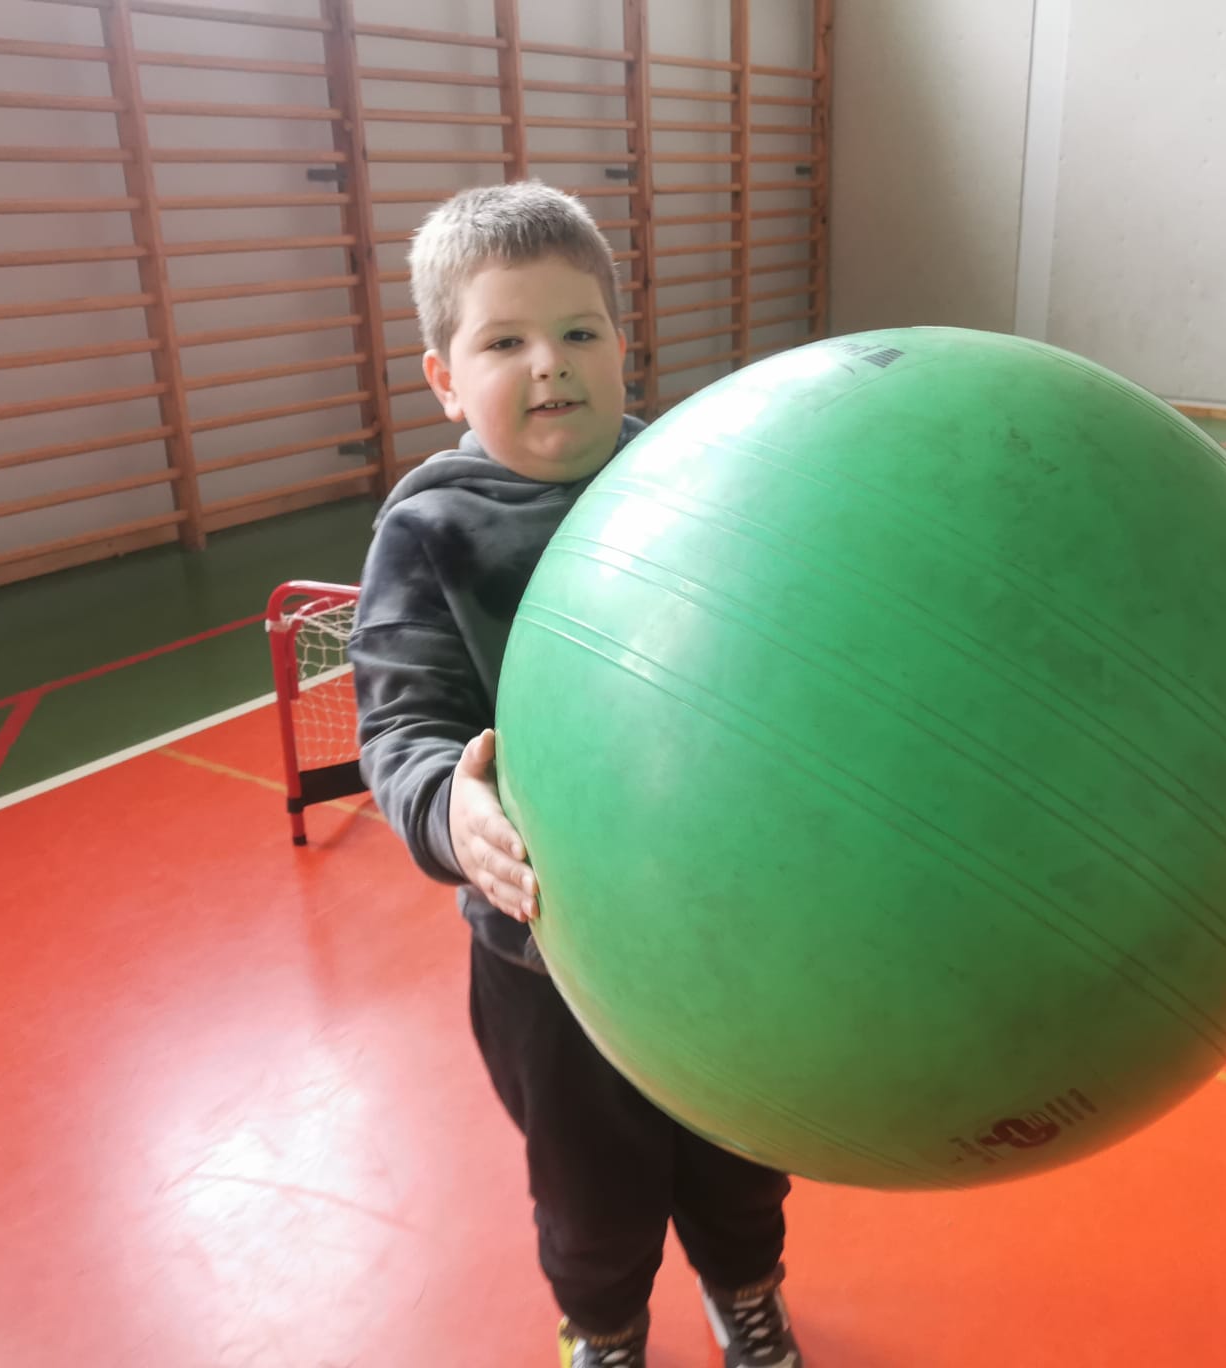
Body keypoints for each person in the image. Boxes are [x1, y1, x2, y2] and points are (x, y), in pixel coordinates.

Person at [349, 179, 803, 1368]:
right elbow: (401, 725)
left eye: (578, 331)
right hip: (550, 957)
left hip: (725, 932)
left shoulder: (696, 480)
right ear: (445, 378)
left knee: (744, 1152)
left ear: (620, 343)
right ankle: (603, 1326)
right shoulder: (431, 529)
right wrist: (452, 805)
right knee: (591, 1188)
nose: (549, 362)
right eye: (504, 342)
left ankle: (747, 1288)